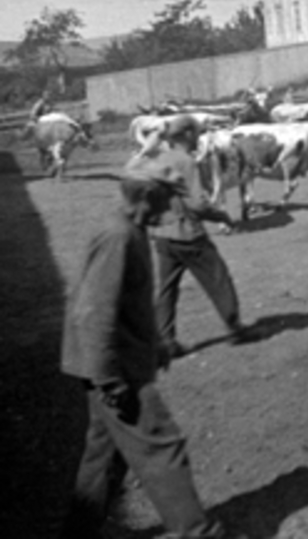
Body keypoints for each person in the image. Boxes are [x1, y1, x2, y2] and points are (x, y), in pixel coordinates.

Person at [59, 156, 230, 538]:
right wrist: (109, 378)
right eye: (167, 198)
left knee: (105, 454)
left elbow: (128, 304)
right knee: (162, 446)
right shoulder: (118, 237)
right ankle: (198, 532)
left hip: (111, 362)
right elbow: (93, 313)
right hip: (114, 367)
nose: (171, 207)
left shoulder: (131, 230)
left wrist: (156, 343)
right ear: (148, 195)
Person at [147, 124, 251, 359]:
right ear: (186, 135)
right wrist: (222, 216)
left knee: (166, 289)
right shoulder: (186, 161)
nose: (199, 138)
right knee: (218, 278)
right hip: (188, 234)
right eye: (196, 133)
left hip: (162, 234)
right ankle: (235, 328)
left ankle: (166, 341)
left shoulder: (159, 159)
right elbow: (196, 204)